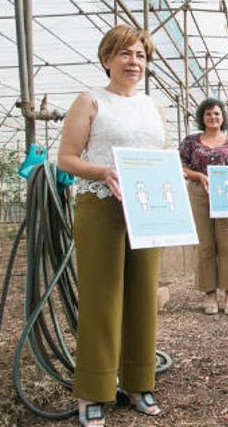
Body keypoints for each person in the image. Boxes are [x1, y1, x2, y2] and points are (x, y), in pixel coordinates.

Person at [58, 25, 166, 426]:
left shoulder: (154, 107)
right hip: (101, 206)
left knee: (143, 297)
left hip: (147, 208)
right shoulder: (90, 102)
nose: (133, 62)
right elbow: (66, 159)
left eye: (140, 55)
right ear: (106, 59)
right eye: (125, 54)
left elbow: (160, 155)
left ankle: (138, 382)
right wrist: (103, 172)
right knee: (102, 300)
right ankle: (93, 390)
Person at [179, 99, 228, 315]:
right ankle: (209, 294)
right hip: (200, 193)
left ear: (223, 117)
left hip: (227, 195)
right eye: (208, 114)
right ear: (202, 117)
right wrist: (198, 175)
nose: (213, 117)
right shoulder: (191, 142)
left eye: (216, 113)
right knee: (205, 244)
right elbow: (180, 166)